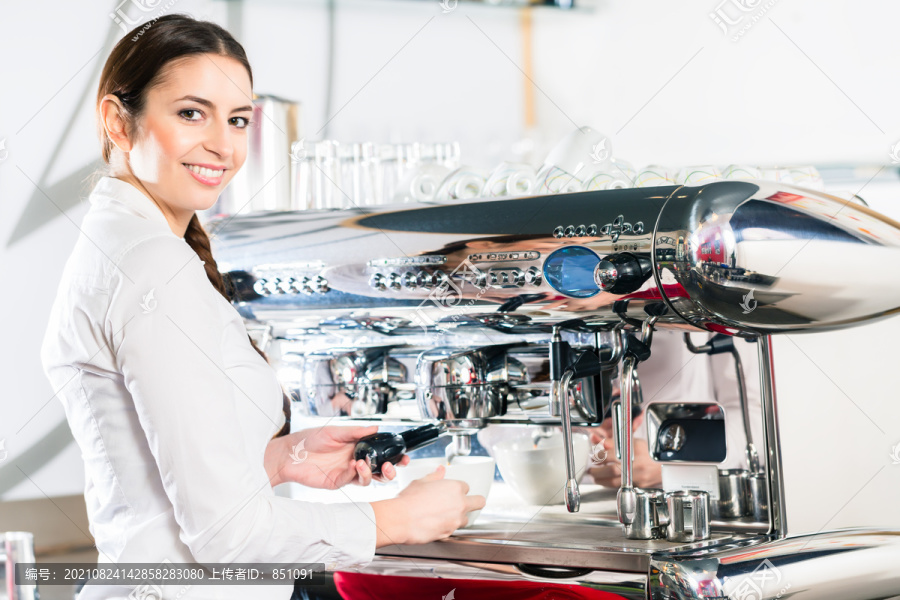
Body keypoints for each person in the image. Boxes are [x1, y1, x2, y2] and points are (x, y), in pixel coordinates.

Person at [39, 15, 483, 600]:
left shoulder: (122, 245)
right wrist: (396, 520)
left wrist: (280, 459)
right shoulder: (153, 263)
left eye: (238, 119)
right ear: (118, 121)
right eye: (191, 113)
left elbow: (159, 469)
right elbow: (227, 535)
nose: (222, 145)